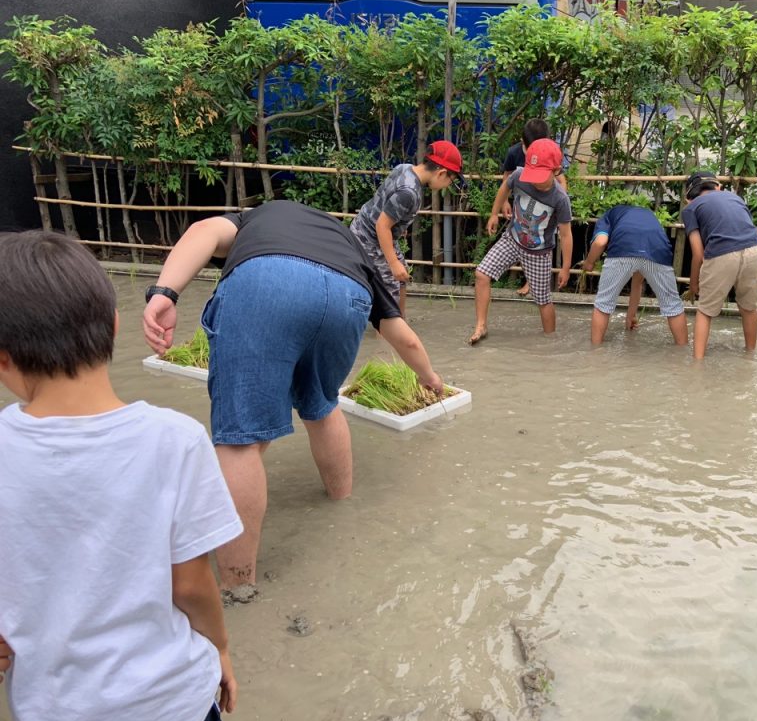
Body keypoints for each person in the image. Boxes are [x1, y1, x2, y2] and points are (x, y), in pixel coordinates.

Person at [0, 231, 242, 721]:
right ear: (113, 326)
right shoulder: (175, 439)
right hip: (172, 718)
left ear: (3, 359)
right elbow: (193, 586)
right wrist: (220, 647)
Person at [143, 200, 444, 599]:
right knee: (321, 404)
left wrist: (165, 292)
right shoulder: (350, 247)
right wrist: (430, 379)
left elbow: (202, 231)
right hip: (347, 295)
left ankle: (237, 587)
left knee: (240, 438)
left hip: (266, 280)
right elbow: (401, 333)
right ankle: (341, 502)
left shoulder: (258, 217)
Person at [469, 138, 574, 344]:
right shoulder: (519, 175)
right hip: (512, 239)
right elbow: (504, 188)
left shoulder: (560, 199)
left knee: (542, 299)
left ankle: (549, 341)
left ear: (555, 171)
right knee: (481, 274)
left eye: (540, 176)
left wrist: (566, 267)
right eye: (532, 174)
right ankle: (481, 325)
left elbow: (566, 234)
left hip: (539, 252)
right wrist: (494, 213)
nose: (535, 180)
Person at [350, 140, 463, 317]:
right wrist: (392, 263)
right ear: (442, 173)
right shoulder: (409, 192)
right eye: (451, 181)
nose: (448, 186)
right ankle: (388, 332)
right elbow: (382, 225)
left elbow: (387, 200)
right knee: (391, 287)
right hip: (370, 237)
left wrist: (399, 226)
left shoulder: (405, 168)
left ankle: (399, 322)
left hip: (372, 229)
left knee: (401, 278)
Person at [683, 171, 757, 359]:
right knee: (749, 308)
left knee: (705, 311)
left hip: (721, 253)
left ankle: (696, 364)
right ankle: (750, 356)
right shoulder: (735, 198)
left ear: (688, 198)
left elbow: (698, 254)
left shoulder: (690, 208)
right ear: (718, 187)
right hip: (755, 249)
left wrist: (694, 284)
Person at [581, 204, 688, 345]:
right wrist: (630, 316)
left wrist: (589, 263)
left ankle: (594, 354)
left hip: (623, 248)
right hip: (657, 250)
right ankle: (684, 357)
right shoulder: (648, 216)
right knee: (673, 307)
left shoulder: (608, 215)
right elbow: (637, 281)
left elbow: (600, 242)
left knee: (603, 304)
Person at [501, 118, 569, 296]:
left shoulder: (549, 154)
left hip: (543, 210)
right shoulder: (514, 153)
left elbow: (561, 180)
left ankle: (531, 282)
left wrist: (556, 203)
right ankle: (529, 280)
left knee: (540, 245)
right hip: (521, 207)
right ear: (523, 143)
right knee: (521, 241)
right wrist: (504, 201)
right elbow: (507, 177)